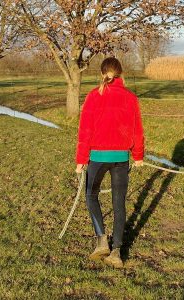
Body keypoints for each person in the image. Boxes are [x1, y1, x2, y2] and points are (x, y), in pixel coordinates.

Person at [75, 57, 144, 268]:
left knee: (91, 195)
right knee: (118, 203)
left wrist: (80, 160)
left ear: (102, 73)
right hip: (121, 158)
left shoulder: (94, 96)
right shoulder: (131, 98)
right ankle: (116, 252)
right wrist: (138, 156)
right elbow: (137, 130)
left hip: (97, 158)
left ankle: (101, 239)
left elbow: (85, 130)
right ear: (121, 73)